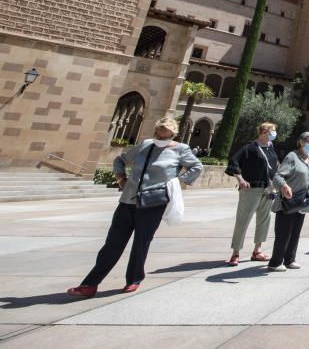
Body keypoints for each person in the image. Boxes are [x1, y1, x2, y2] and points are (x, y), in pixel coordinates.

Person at [67, 118, 203, 297]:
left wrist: (175, 183)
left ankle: (134, 279)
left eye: (166, 135)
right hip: (127, 201)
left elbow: (197, 167)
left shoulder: (180, 149)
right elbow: (120, 160)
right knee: (112, 244)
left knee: (141, 243)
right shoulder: (145, 145)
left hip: (153, 203)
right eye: (159, 133)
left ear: (173, 134)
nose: (161, 137)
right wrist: (121, 178)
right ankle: (90, 284)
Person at [225, 122, 279, 266]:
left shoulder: (271, 149)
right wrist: (241, 179)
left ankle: (257, 250)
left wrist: (275, 185)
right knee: (243, 220)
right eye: (272, 131)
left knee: (264, 221)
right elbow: (234, 163)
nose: (274, 134)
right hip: (251, 189)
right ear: (263, 132)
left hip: (267, 190)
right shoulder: (249, 148)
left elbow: (274, 168)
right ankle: (235, 252)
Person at [269, 131, 309, 272]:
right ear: (300, 142)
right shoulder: (292, 156)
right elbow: (278, 176)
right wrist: (284, 186)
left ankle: (290, 260)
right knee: (283, 233)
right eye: (308, 142)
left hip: (302, 202)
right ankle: (275, 262)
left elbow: (308, 176)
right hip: (289, 200)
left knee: (295, 232)